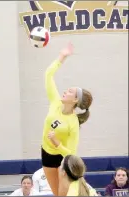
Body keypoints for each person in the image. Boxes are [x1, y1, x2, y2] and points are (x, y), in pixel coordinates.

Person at [41, 43, 93, 196]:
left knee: (64, 195)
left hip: (62, 160)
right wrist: (61, 57)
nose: (65, 91)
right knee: (57, 194)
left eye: (70, 91)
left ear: (75, 100)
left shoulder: (73, 122)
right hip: (46, 154)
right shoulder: (55, 103)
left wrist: (57, 143)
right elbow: (48, 75)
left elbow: (71, 153)